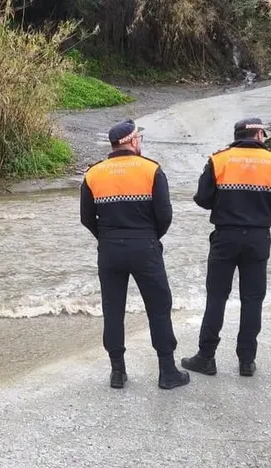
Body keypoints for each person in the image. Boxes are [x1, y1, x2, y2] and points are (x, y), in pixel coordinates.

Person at [181, 118, 271, 378]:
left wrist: (227, 203)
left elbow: (202, 198)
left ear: (237, 135)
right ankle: (247, 360)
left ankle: (206, 357)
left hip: (225, 235)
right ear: (258, 135)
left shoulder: (219, 159)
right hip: (258, 237)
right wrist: (261, 206)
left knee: (216, 297)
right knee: (252, 299)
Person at [80, 119, 190, 391]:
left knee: (113, 309)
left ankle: (117, 372)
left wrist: (106, 238)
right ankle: (167, 371)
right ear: (131, 141)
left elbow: (86, 218)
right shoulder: (151, 170)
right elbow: (165, 215)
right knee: (159, 306)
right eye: (139, 137)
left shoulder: (93, 174)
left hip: (109, 249)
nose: (140, 141)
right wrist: (150, 236)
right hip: (145, 246)